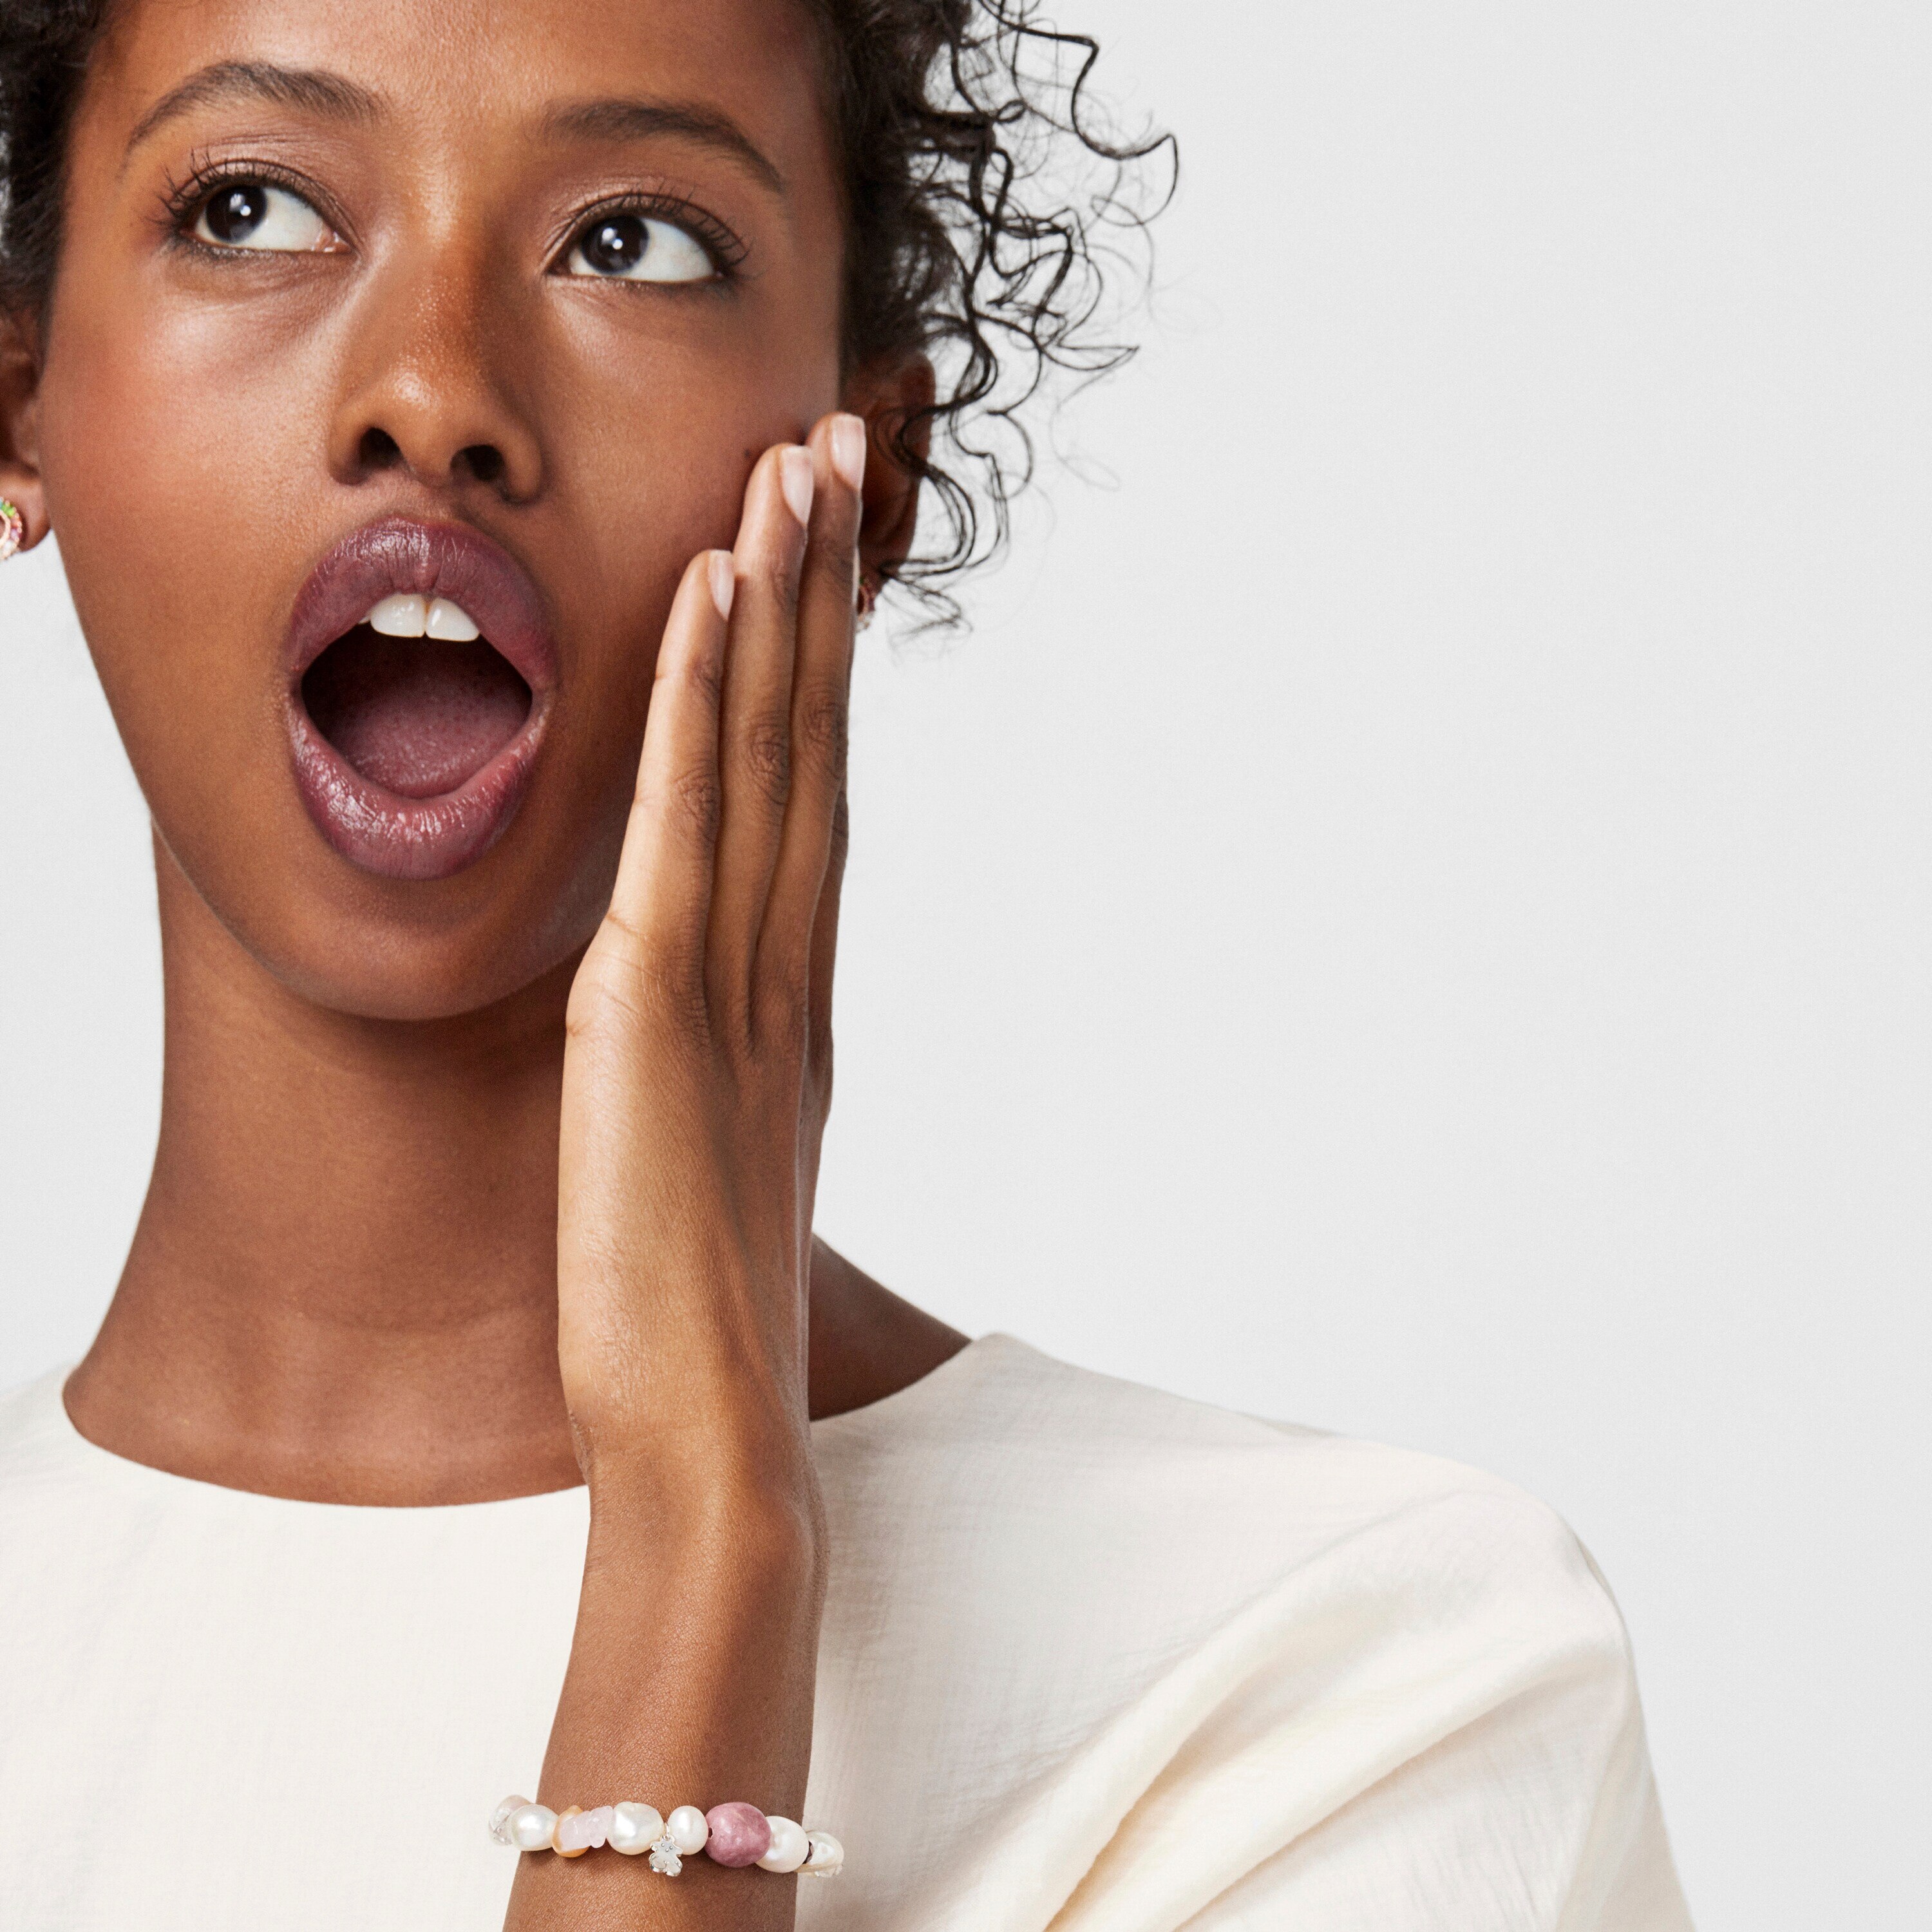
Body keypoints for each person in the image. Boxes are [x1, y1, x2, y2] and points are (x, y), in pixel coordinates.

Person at [0, 0, 1693, 1927]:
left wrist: (707, 1531)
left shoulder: (1345, 1687)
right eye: (250, 205)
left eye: (634, 240)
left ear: (863, 475)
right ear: (21, 389)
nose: (432, 388)